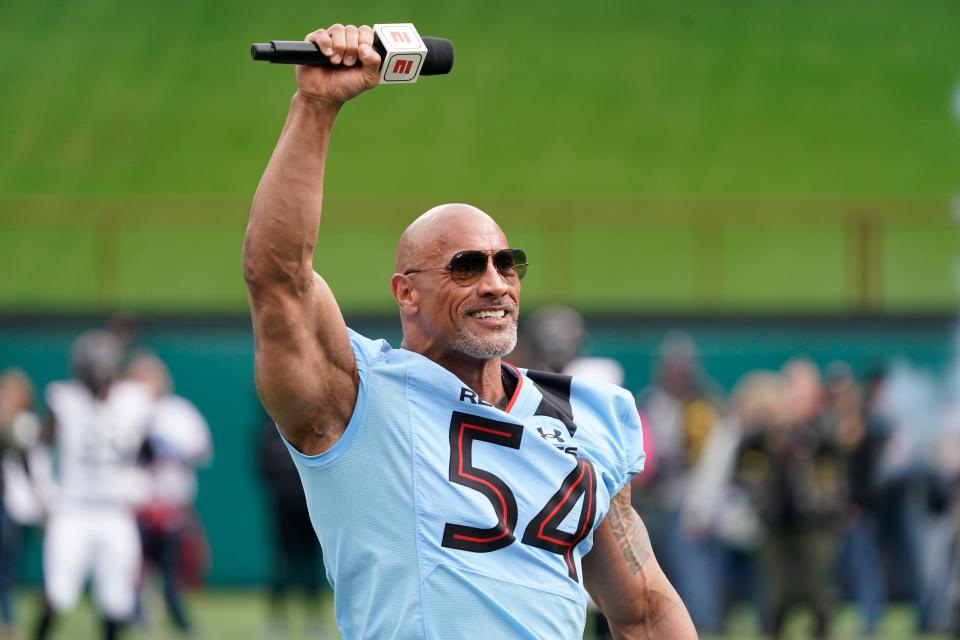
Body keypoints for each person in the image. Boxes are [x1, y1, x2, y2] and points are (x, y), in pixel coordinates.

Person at [243, 23, 696, 640]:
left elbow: (643, 609)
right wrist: (316, 106)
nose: (495, 282)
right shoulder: (357, 399)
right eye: (466, 266)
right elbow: (278, 280)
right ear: (406, 290)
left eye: (506, 263)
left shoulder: (588, 412)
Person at [33, 331, 154, 640]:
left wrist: (139, 483)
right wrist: (45, 493)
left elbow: (146, 453)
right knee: (59, 592)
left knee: (117, 598)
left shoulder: (133, 401)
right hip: (73, 509)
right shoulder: (64, 400)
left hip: (115, 511)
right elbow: (39, 448)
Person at [126, 354, 212, 637]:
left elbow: (202, 451)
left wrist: (171, 448)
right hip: (136, 503)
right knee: (134, 569)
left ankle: (178, 618)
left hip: (172, 505)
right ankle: (135, 616)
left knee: (174, 569)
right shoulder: (124, 411)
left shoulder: (179, 411)